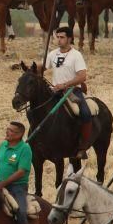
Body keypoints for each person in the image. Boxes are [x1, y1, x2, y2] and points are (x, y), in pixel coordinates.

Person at [44, 27, 92, 159]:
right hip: (54, 91)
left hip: (72, 90)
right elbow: (43, 67)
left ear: (69, 39)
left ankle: (83, 147)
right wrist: (30, 68)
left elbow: (82, 76)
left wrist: (65, 85)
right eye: (57, 37)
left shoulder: (76, 55)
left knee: (85, 113)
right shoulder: (52, 54)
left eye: (62, 37)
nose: (58, 40)